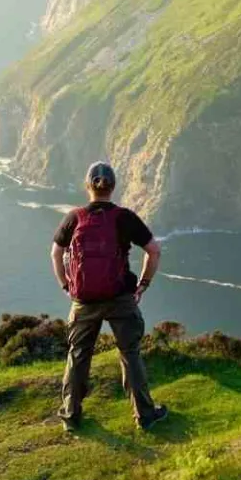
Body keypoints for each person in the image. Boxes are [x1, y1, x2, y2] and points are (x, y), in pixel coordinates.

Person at [51, 161, 168, 432]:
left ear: (87, 186)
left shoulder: (74, 217)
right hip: (120, 298)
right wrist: (143, 285)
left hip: (84, 301)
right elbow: (154, 251)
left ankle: (71, 415)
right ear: (113, 187)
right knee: (130, 353)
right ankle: (145, 415)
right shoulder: (124, 217)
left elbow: (56, 253)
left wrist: (66, 285)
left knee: (78, 355)